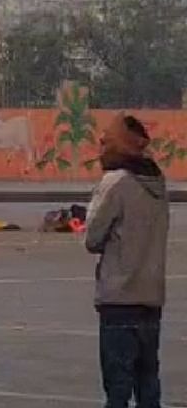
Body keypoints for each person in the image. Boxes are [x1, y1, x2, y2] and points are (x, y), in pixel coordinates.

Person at [86, 115, 169, 408]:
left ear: (120, 146)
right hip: (151, 298)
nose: (101, 145)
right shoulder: (158, 183)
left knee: (118, 390)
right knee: (148, 383)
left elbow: (92, 239)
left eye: (106, 140)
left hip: (119, 300)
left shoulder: (114, 182)